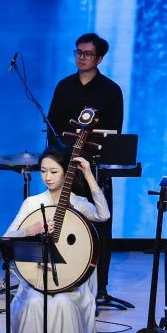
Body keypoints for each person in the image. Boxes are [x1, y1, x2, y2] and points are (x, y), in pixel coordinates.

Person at [5, 148, 109, 333]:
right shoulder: (32, 203)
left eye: (54, 171)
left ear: (66, 173)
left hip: (70, 283)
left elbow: (103, 215)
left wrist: (89, 174)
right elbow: (8, 238)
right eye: (43, 171)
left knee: (63, 305)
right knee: (32, 304)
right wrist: (31, 229)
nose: (48, 177)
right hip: (36, 280)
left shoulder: (77, 203)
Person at [46, 32, 124, 306]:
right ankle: (65, 278)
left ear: (99, 58)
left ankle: (100, 287)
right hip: (66, 169)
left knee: (101, 225)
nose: (81, 57)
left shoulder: (111, 90)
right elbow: (52, 128)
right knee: (63, 222)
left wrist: (92, 162)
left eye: (88, 54)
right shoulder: (64, 86)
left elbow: (114, 135)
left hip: (94, 170)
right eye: (78, 52)